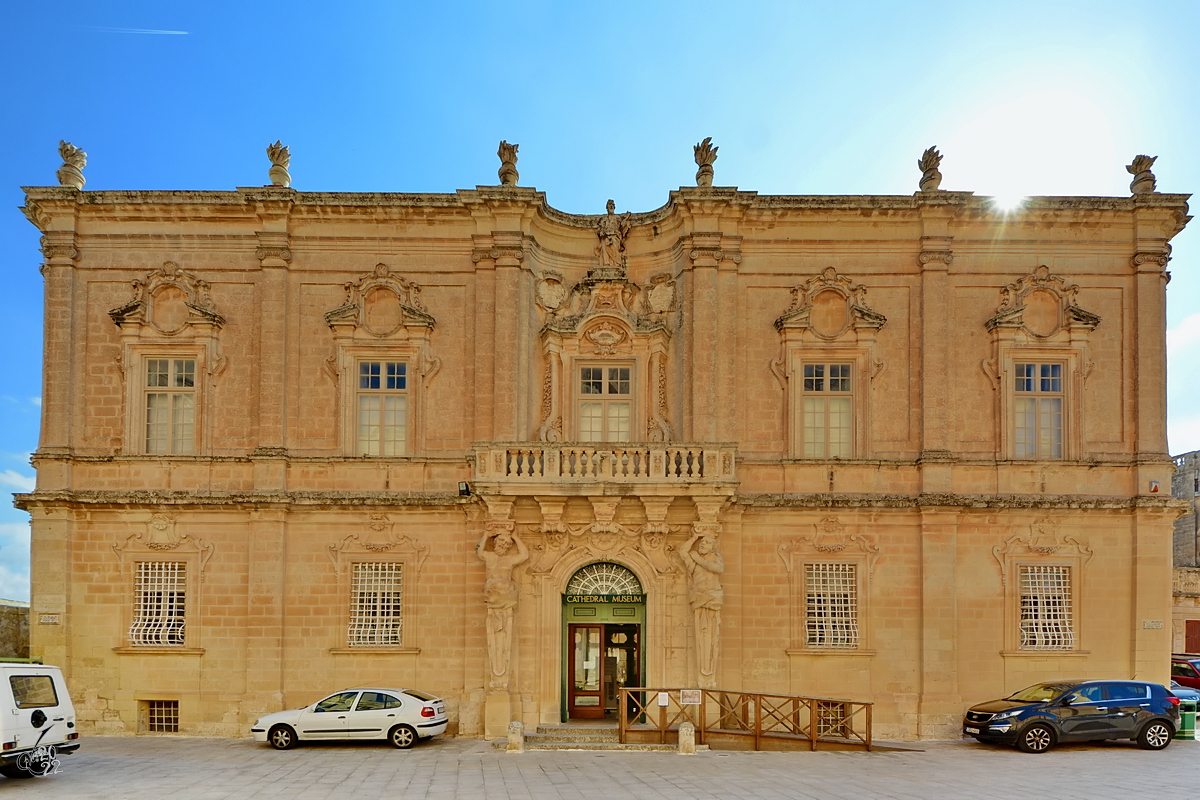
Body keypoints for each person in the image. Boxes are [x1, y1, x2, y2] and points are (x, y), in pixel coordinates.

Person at [476, 526, 528, 688]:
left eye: (507, 544)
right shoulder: (489, 556)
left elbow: (524, 555)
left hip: (505, 595)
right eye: (501, 542)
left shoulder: (509, 560)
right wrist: (485, 535)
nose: (504, 546)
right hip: (492, 595)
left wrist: (516, 538)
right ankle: (498, 680)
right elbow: (479, 551)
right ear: (496, 542)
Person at [683, 532, 724, 681]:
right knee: (703, 634)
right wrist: (693, 538)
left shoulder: (715, 558)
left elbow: (718, 569)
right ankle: (704, 675)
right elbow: (682, 551)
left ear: (713, 547)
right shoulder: (693, 564)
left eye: (706, 542)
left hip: (712, 597)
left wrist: (698, 558)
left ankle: (706, 678)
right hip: (699, 597)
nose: (702, 544)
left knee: (710, 634)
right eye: (702, 542)